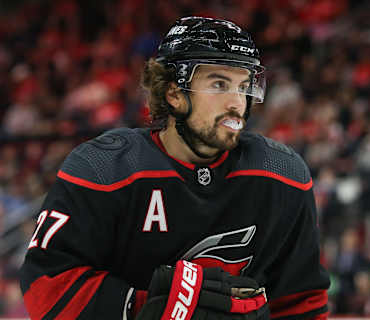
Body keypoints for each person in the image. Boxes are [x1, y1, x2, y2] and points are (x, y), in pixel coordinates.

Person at [19, 16, 330, 320]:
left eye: (244, 86)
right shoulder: (104, 168)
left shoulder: (282, 175)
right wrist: (143, 309)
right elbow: (47, 285)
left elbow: (302, 301)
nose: (237, 103)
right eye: (219, 84)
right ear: (173, 93)